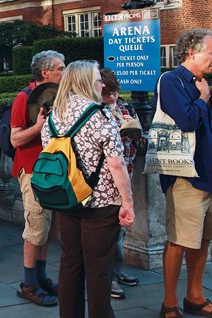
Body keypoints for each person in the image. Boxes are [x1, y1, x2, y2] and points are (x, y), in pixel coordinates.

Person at [40, 60, 134, 318]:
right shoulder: (100, 115)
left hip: (67, 199)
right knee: (99, 268)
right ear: (85, 82)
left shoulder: (53, 116)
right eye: (97, 79)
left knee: (70, 262)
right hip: (101, 204)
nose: (101, 83)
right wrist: (127, 202)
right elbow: (117, 164)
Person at [157, 29, 212, 318]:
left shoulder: (202, 82)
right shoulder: (171, 80)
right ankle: (169, 304)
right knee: (179, 240)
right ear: (192, 52)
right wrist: (203, 98)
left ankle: (195, 296)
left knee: (204, 237)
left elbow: (210, 132)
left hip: (210, 174)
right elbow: (188, 120)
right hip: (185, 176)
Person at [11, 50, 65, 307]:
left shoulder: (57, 95)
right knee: (35, 228)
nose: (64, 72)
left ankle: (41, 277)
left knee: (48, 227)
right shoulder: (24, 97)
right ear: (45, 72)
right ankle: (28, 283)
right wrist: (38, 127)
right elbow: (15, 139)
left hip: (54, 170)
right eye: (60, 68)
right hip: (33, 170)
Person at [100, 68, 142, 300]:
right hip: (107, 179)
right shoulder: (96, 113)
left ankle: (116, 271)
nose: (112, 97)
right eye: (107, 94)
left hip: (127, 170)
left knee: (122, 230)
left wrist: (134, 135)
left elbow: (140, 138)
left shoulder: (126, 108)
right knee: (111, 232)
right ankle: (110, 277)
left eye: (114, 92)